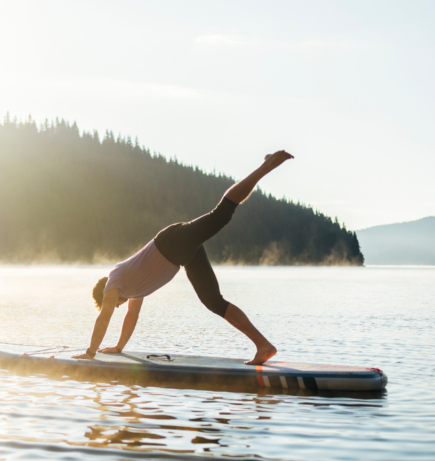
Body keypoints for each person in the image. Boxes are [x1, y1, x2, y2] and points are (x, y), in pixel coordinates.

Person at [71, 150, 294, 365]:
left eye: (109, 302)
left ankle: (265, 166)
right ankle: (263, 346)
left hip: (171, 243)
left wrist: (90, 353)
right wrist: (119, 348)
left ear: (104, 293)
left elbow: (105, 316)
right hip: (182, 255)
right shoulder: (132, 286)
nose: (116, 305)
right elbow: (131, 316)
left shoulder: (115, 280)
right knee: (213, 301)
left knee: (221, 215)